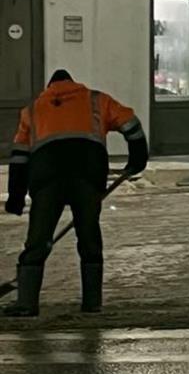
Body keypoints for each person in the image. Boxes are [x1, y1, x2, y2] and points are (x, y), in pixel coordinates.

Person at [3, 70, 148, 317]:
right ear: (74, 84)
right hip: (87, 176)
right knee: (89, 235)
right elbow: (131, 123)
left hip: (47, 179)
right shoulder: (96, 100)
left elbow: (19, 158)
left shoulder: (33, 111)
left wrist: (16, 197)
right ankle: (92, 303)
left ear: (49, 87)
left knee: (38, 238)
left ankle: (27, 303)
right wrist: (138, 159)